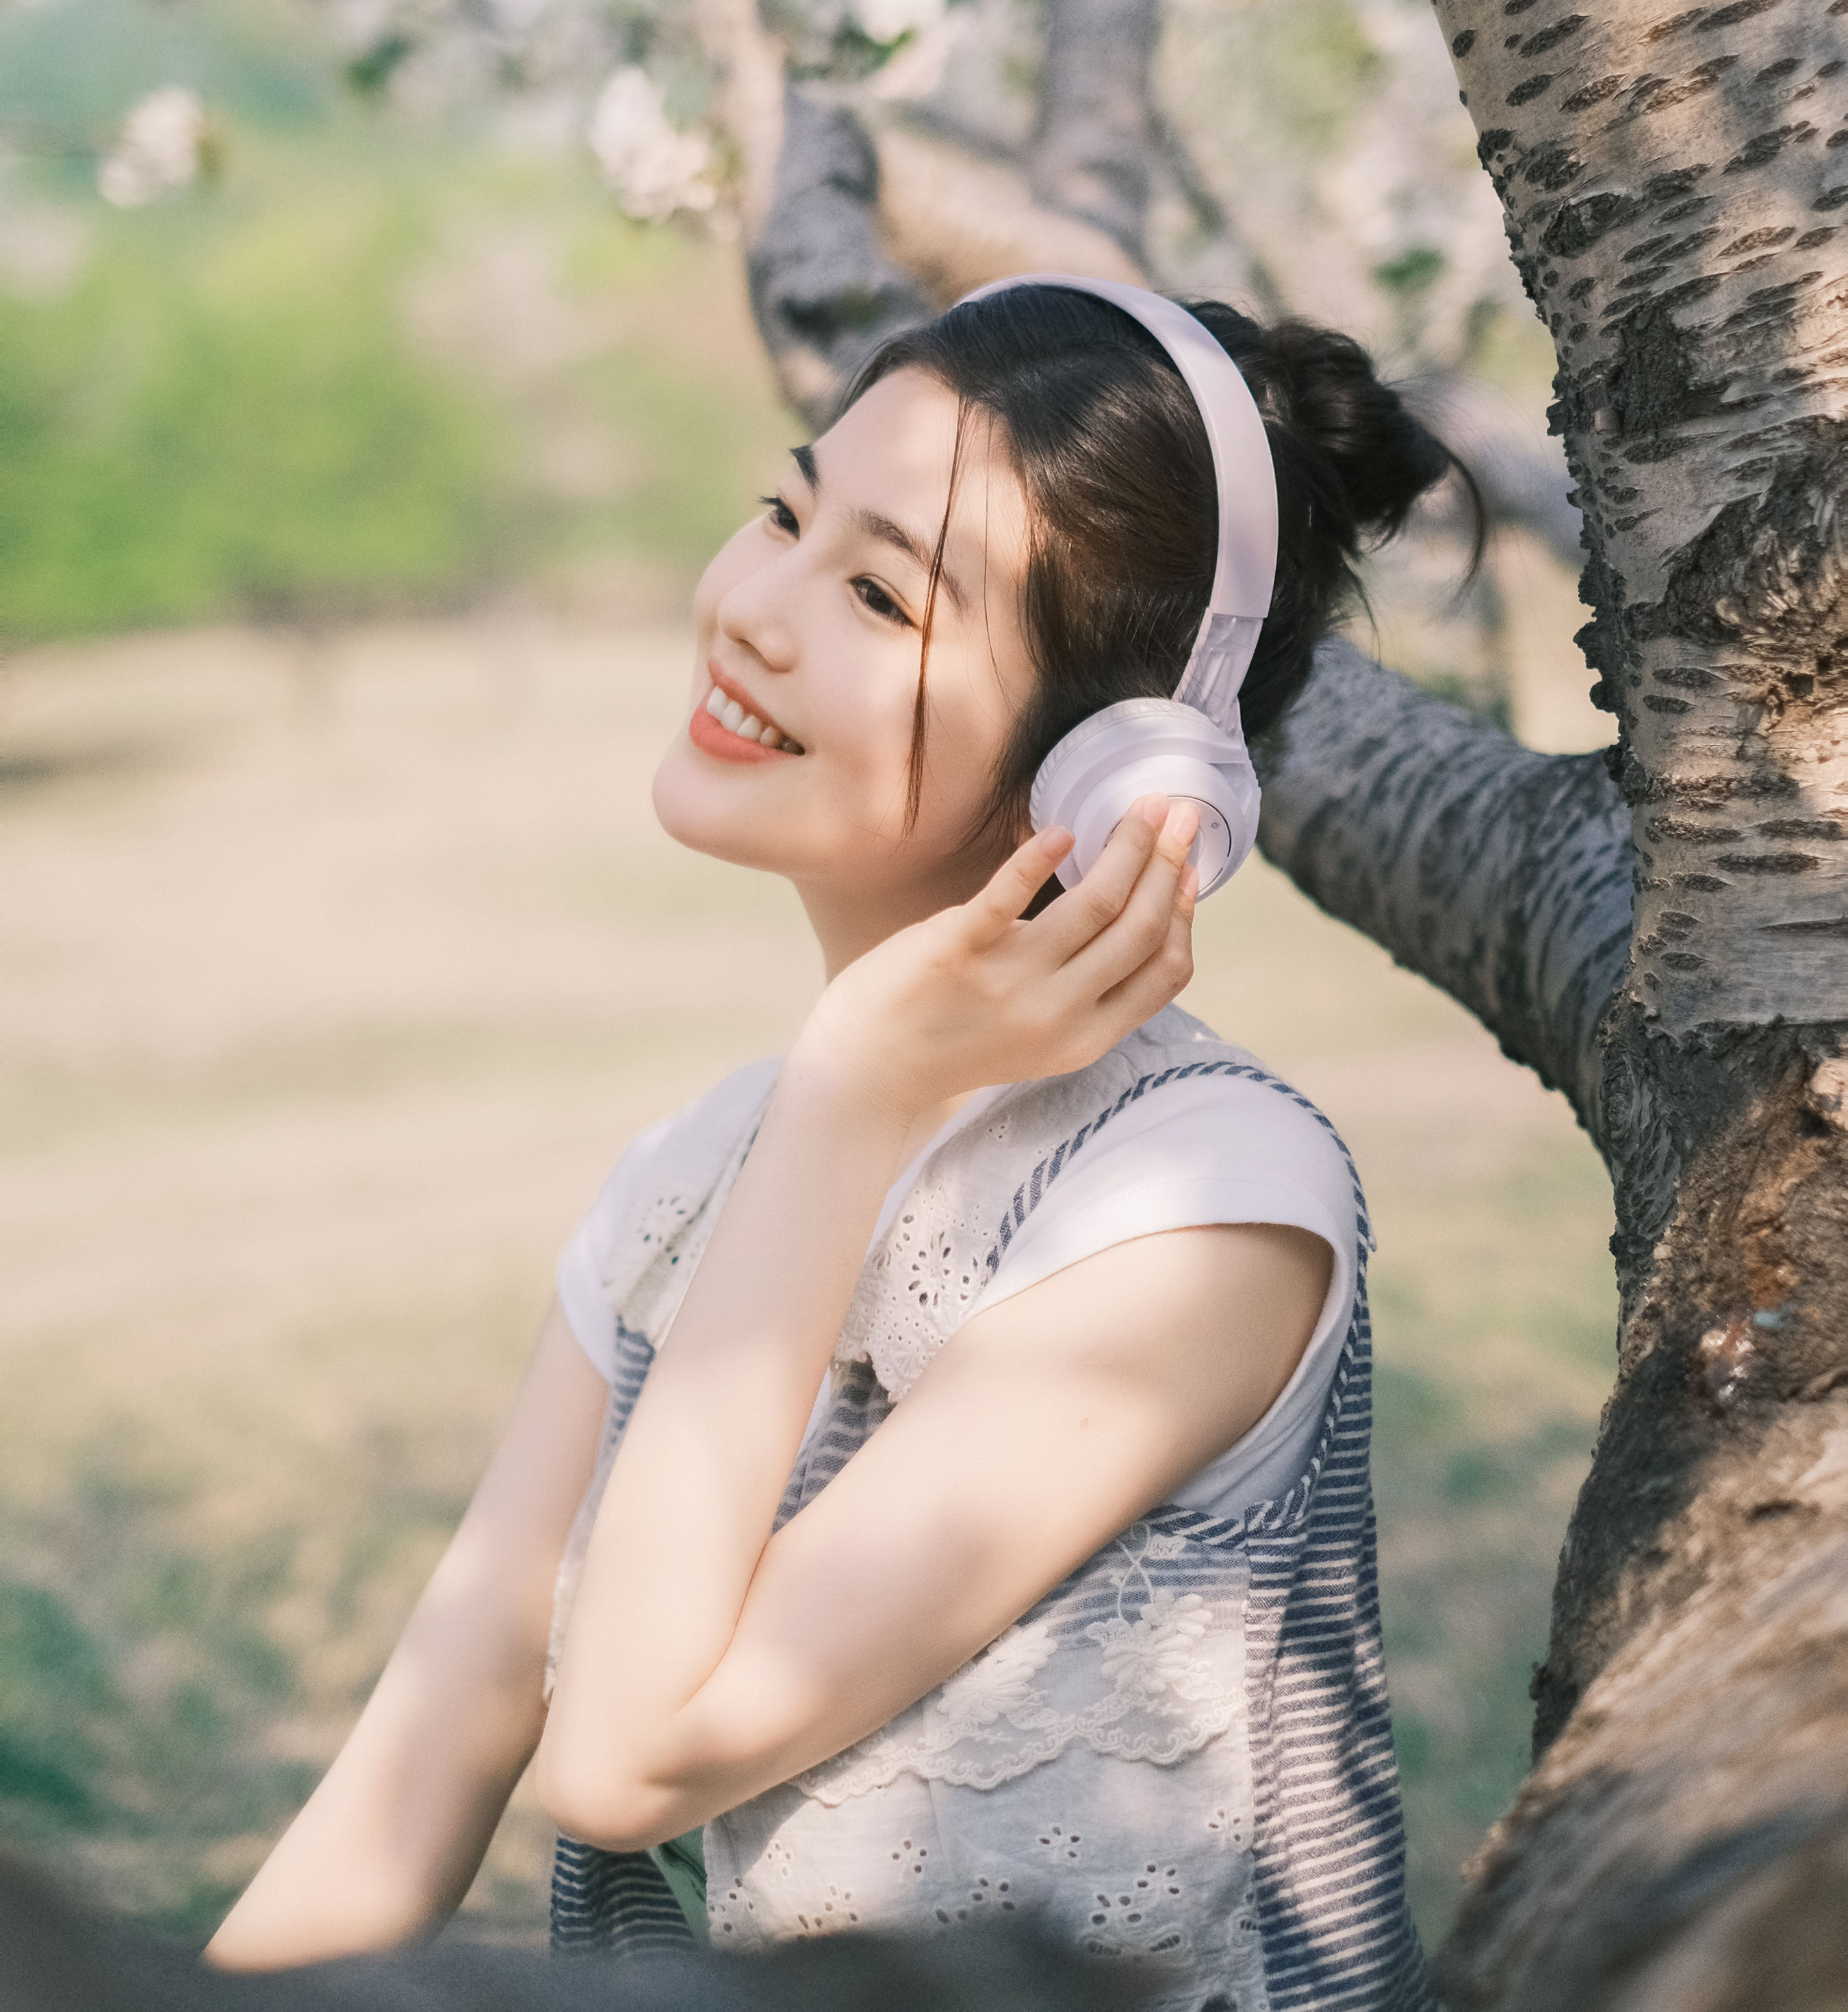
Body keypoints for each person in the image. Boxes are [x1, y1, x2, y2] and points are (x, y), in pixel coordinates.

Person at [208, 281, 1457, 2012]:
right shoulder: (705, 1167)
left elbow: (628, 1757)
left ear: (1106, 773)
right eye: (786, 514)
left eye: (878, 592)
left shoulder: (1200, 1208)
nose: (756, 613)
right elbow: (429, 1750)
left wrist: (852, 1099)